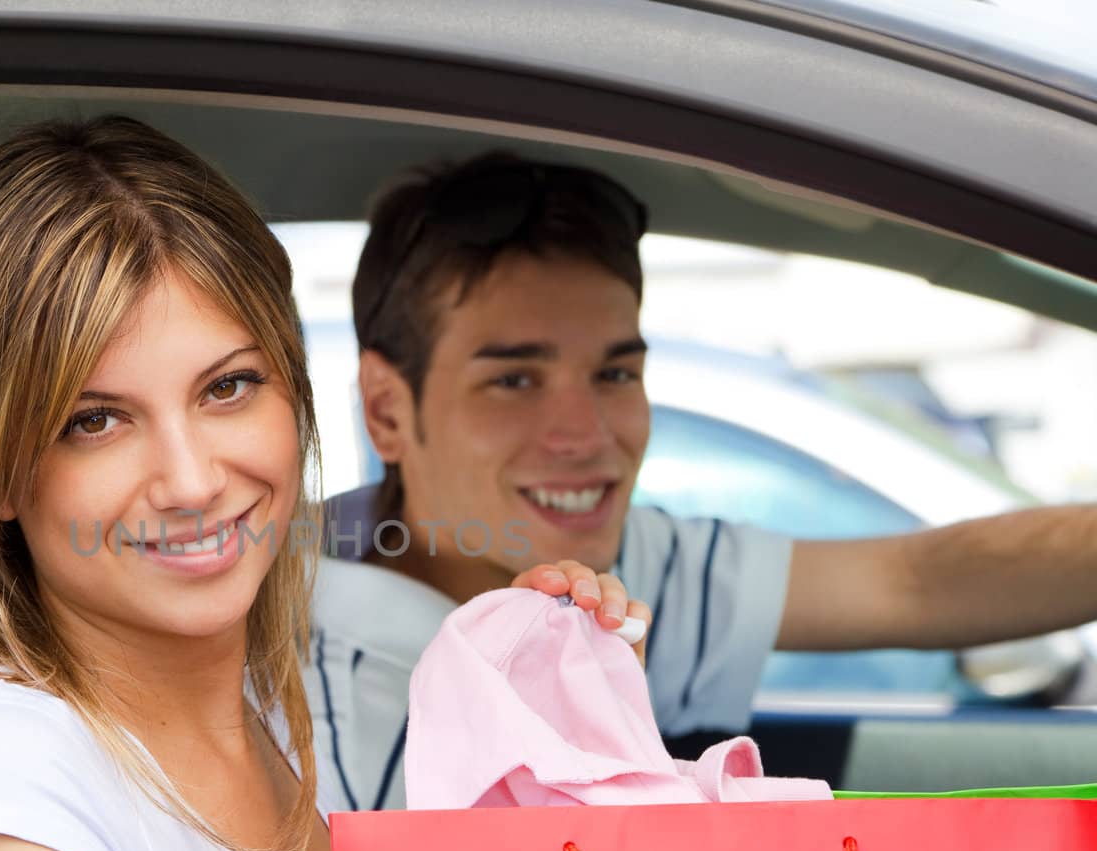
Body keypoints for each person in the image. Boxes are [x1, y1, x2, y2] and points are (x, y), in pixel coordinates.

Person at [306, 151, 1097, 813]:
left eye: (616, 371)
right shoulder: (274, 641)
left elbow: (915, 583)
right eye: (514, 381)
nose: (587, 435)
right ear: (386, 411)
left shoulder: (611, 583)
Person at [0, 116, 340, 851]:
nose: (190, 481)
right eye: (94, 421)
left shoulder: (259, 707)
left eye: (227, 387)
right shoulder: (6, 783)